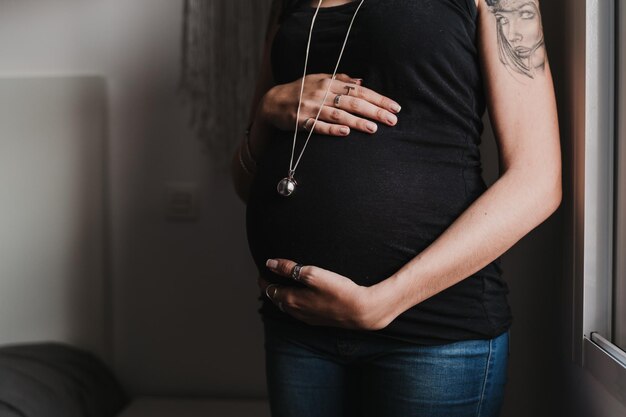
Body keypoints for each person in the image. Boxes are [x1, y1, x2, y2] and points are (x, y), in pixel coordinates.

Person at [230, 0, 561, 416]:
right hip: (299, 326)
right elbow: (247, 184)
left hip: (433, 334)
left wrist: (386, 300)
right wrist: (265, 113)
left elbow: (538, 180)